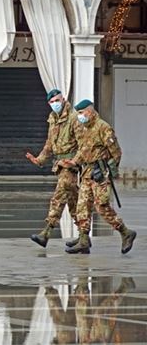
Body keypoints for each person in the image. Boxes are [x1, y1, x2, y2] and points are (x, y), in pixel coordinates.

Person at [61, 100, 137, 254]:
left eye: (81, 113)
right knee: (82, 206)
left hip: (100, 173)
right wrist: (73, 161)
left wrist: (107, 172)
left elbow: (116, 153)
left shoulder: (103, 127)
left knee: (101, 207)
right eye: (78, 114)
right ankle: (83, 240)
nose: (80, 117)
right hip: (87, 173)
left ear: (90, 111)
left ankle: (125, 232)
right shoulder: (84, 129)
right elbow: (83, 151)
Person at [25, 89, 81, 248]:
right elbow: (50, 143)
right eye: (51, 102)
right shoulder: (53, 119)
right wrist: (39, 159)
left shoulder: (74, 118)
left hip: (70, 166)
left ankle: (46, 233)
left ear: (63, 99)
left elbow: (84, 143)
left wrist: (76, 161)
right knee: (73, 202)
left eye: (57, 100)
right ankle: (84, 237)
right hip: (60, 164)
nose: (54, 104)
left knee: (58, 197)